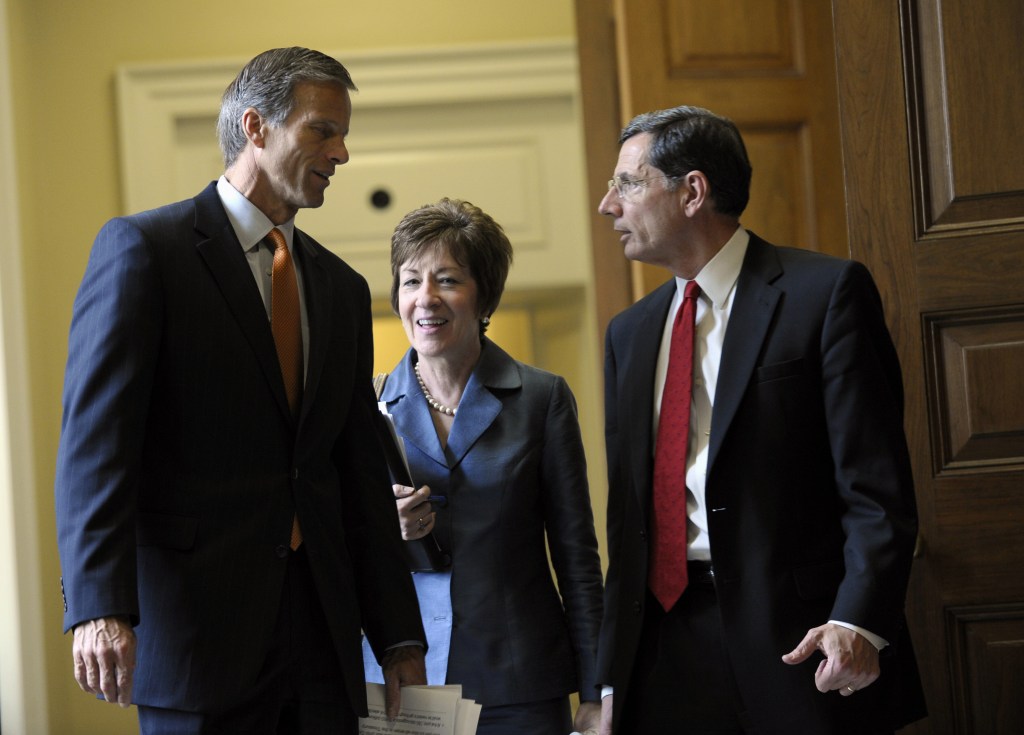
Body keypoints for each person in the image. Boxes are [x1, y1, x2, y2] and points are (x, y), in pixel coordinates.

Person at [54, 46, 426, 735]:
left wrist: (400, 635)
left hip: (323, 643)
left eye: (344, 134)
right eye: (323, 129)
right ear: (255, 127)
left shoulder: (342, 290)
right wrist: (98, 607)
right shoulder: (145, 250)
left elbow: (357, 475)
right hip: (197, 638)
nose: (342, 152)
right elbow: (95, 448)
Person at [594, 106, 927, 734]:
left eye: (629, 183)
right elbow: (628, 522)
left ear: (692, 191)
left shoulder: (825, 294)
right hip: (665, 650)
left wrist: (859, 621)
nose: (609, 205)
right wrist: (613, 676)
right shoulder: (629, 334)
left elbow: (876, 488)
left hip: (803, 643)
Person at [360, 198, 604, 735]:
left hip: (517, 685)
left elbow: (577, 558)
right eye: (410, 281)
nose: (425, 299)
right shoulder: (364, 404)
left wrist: (596, 691)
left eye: (447, 280)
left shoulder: (542, 398)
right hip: (401, 679)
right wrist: (383, 528)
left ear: (483, 294)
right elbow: (335, 553)